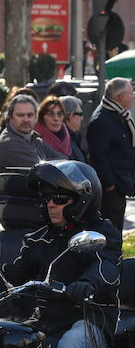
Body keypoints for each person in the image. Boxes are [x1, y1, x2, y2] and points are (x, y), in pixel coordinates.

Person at [1, 160, 121, 348]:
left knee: (70, 344)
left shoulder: (102, 232)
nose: (51, 205)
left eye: (59, 199)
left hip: (89, 318)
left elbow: (106, 267)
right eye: (47, 199)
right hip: (46, 319)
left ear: (81, 200)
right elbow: (13, 274)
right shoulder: (41, 236)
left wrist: (86, 284)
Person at [0, 95, 67, 265]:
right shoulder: (8, 143)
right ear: (10, 117)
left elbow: (64, 159)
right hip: (23, 214)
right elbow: (46, 171)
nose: (26, 120)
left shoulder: (34, 139)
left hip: (40, 212)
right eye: (20, 115)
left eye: (30, 115)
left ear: (36, 117)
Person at [86, 78, 135, 231]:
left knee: (116, 230)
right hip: (111, 190)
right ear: (120, 97)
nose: (134, 96)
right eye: (131, 93)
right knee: (110, 231)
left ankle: (115, 255)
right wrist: (110, 185)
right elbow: (98, 156)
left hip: (121, 184)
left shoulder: (118, 115)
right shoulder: (102, 120)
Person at [59, 96, 87, 162]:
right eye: (80, 114)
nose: (82, 118)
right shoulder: (63, 140)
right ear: (69, 115)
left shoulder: (73, 138)